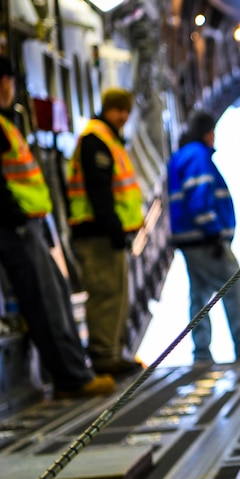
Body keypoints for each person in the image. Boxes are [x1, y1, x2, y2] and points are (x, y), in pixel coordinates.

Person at [0, 55, 115, 398]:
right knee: (45, 303)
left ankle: (76, 371)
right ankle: (72, 379)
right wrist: (14, 218)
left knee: (55, 296)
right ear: (3, 82)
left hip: (26, 226)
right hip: (14, 227)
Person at [166, 110, 240, 363]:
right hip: (205, 239)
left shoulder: (180, 157)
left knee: (200, 293)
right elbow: (199, 198)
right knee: (235, 286)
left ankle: (202, 352)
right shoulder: (197, 156)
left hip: (190, 240)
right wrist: (215, 234)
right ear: (208, 133)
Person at [66, 88, 145, 376]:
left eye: (126, 111)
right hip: (97, 233)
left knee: (118, 293)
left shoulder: (109, 140)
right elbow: (99, 191)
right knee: (106, 292)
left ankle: (113, 352)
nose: (123, 117)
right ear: (107, 109)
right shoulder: (96, 140)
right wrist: (112, 226)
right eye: (118, 110)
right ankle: (102, 356)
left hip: (108, 233)